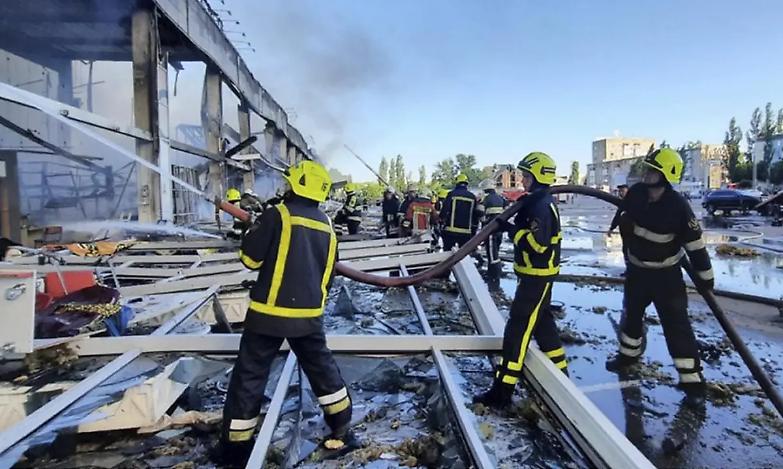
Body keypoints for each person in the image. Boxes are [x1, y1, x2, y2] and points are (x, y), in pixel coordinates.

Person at [215, 160, 353, 466]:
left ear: (295, 186)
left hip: (268, 315)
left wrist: (252, 229)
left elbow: (250, 261)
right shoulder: (328, 227)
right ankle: (342, 425)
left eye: (289, 182)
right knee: (323, 370)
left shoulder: (277, 215)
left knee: (250, 376)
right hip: (309, 316)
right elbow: (328, 275)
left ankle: (236, 448)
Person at [606, 148, 713, 405]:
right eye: (646, 169)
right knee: (631, 316)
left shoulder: (678, 206)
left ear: (666, 175)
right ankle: (628, 356)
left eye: (652, 170)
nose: (646, 173)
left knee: (676, 326)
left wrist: (705, 278)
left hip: (666, 277)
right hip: (637, 273)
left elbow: (695, 245)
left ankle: (693, 382)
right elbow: (622, 215)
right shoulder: (637, 195)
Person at [474, 152, 566, 408]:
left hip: (537, 275)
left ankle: (503, 390)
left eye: (526, 176)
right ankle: (562, 376)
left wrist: (512, 230)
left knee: (517, 329)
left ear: (538, 177)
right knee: (543, 323)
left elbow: (538, 245)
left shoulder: (541, 206)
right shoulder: (535, 202)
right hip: (533, 274)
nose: (522, 180)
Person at [439, 173, 480, 251]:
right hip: (466, 232)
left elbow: (445, 209)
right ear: (466, 184)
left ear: (457, 183)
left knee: (447, 254)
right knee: (464, 255)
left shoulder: (452, 194)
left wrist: (441, 220)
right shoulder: (472, 197)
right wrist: (473, 230)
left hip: (450, 231)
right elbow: (476, 215)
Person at [478, 178, 507, 278]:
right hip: (500, 229)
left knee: (491, 253)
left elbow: (481, 214)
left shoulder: (486, 199)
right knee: (496, 250)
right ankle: (494, 272)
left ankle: (494, 275)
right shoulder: (500, 198)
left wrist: (483, 223)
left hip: (490, 230)